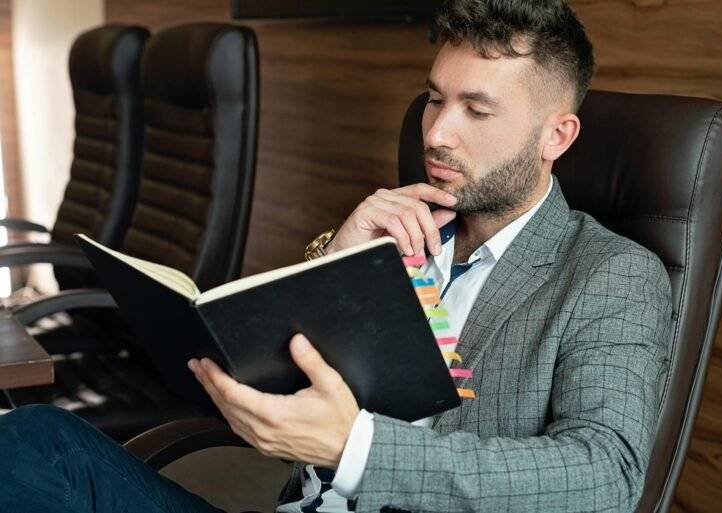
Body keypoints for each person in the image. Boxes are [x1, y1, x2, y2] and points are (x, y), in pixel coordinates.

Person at [0, 1, 672, 512]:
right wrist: (338, 251)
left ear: (557, 133)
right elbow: (279, 379)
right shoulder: (403, 229)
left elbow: (605, 471)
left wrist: (356, 449)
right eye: (436, 98)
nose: (436, 131)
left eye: (476, 109)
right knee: (34, 439)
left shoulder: (610, 274)